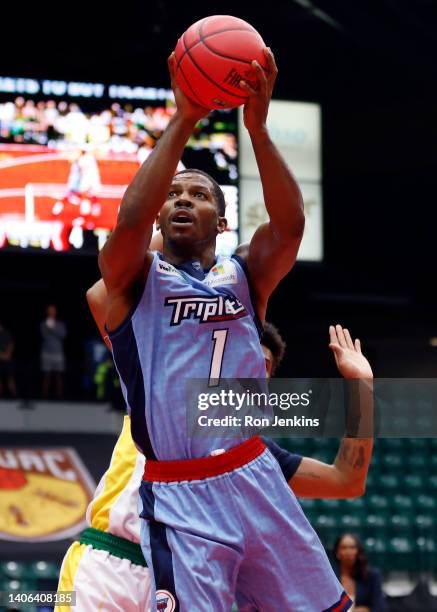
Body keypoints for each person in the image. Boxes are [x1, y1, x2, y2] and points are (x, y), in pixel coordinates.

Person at [97, 46, 354, 610]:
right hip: (180, 492)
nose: (182, 199)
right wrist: (185, 118)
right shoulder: (132, 281)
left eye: (199, 194)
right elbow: (130, 221)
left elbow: (289, 228)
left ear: (223, 217)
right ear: (160, 219)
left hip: (253, 473)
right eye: (173, 195)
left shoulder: (244, 275)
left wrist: (257, 131)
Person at [58, 260, 372, 610]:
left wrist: (363, 389)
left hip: (188, 582)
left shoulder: (255, 462)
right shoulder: (158, 383)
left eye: (264, 366)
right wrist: (176, 227)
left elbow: (347, 480)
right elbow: (101, 295)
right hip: (109, 564)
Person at [334, 534, 387, 612]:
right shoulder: (331, 577)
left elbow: (380, 607)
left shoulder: (372, 576)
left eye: (352, 547)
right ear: (337, 553)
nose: (348, 552)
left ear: (358, 551)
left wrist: (366, 610)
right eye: (344, 548)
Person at [40, 304, 67, 399]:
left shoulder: (60, 324)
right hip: (46, 352)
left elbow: (63, 335)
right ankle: (44, 396)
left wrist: (52, 329)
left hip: (58, 352)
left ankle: (59, 396)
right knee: (46, 375)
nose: (51, 312)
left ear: (55, 312)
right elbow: (44, 336)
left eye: (53, 310)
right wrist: (50, 329)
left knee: (58, 375)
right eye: (49, 310)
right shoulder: (43, 324)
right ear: (47, 312)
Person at [0, 321, 17, 398]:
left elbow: (11, 344)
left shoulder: (6, 333)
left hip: (7, 359)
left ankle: (14, 395)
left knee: (10, 377)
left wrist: (8, 354)